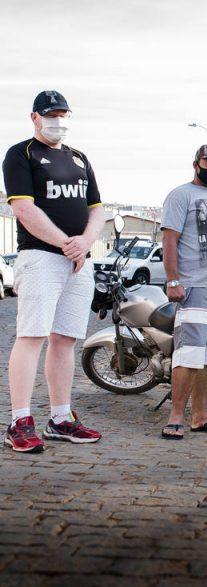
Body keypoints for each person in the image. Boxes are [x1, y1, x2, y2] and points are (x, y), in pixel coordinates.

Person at [3, 91, 104, 453]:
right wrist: (66, 243)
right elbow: (24, 210)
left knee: (65, 340)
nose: (57, 120)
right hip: (41, 258)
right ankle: (20, 421)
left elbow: (97, 209)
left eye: (63, 114)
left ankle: (61, 418)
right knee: (32, 337)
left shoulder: (78, 158)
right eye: (50, 114)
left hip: (79, 262)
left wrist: (85, 242)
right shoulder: (21, 154)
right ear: (35, 117)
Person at [160, 144, 207, 440]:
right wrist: (173, 280)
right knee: (188, 354)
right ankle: (176, 415)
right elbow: (170, 239)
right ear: (196, 164)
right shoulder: (181, 195)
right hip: (194, 285)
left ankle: (200, 415)